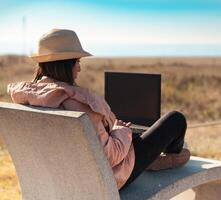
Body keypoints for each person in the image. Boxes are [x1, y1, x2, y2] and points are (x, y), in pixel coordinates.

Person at [7, 29, 190, 190]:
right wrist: (121, 131)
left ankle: (155, 156)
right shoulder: (80, 106)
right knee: (175, 119)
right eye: (77, 61)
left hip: (65, 175)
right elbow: (109, 158)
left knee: (136, 135)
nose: (79, 68)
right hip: (111, 178)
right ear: (66, 64)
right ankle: (172, 156)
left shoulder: (26, 100)